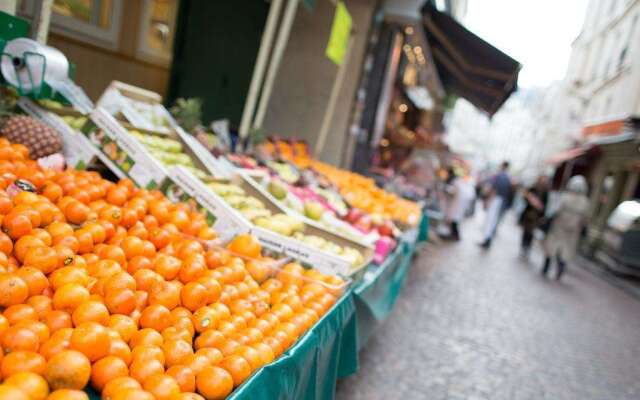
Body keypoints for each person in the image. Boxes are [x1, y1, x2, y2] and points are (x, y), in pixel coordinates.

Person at [542, 175, 590, 280]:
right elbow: (585, 218)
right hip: (573, 230)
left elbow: (555, 210)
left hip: (559, 226)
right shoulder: (585, 201)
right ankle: (560, 268)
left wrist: (548, 219)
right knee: (566, 249)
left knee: (552, 246)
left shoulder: (564, 196)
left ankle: (546, 267)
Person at [479, 161, 513, 249]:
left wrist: (487, 201)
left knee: (490, 220)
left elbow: (493, 189)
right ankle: (488, 239)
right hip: (501, 201)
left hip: (495, 200)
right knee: (493, 221)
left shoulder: (499, 176)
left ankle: (486, 239)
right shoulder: (508, 178)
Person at [518, 176, 549, 258]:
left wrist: (542, 214)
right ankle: (524, 245)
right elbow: (525, 196)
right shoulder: (533, 188)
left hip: (536, 216)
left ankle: (527, 247)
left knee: (531, 232)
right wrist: (530, 199)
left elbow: (545, 205)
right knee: (526, 230)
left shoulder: (546, 192)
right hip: (528, 213)